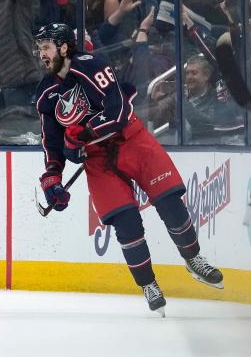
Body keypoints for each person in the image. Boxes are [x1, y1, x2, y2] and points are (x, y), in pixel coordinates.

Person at [33, 23, 225, 315]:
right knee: (126, 224)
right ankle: (149, 285)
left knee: (170, 202)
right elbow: (52, 140)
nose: (41, 54)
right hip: (97, 160)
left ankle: (193, 259)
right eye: (39, 48)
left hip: (131, 140)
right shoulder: (46, 92)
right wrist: (52, 177)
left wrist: (84, 133)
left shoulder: (90, 66)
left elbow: (119, 113)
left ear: (63, 47)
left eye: (46, 47)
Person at [149, 54, 245, 145]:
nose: (189, 77)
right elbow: (153, 117)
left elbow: (205, 125)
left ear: (206, 75)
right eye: (187, 73)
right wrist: (152, 100)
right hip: (181, 151)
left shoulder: (218, 98)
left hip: (209, 152)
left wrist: (183, 102)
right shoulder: (179, 96)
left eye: (194, 73)